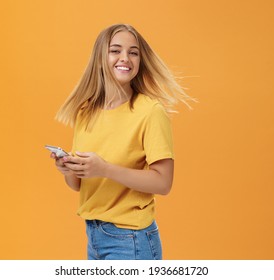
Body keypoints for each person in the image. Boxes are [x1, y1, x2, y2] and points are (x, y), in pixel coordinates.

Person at [50, 24, 192, 260]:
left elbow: (163, 183)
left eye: (133, 52)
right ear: (100, 58)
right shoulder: (86, 113)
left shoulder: (150, 112)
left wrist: (104, 168)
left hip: (131, 241)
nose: (125, 58)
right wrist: (67, 169)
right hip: (94, 235)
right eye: (115, 50)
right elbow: (77, 185)